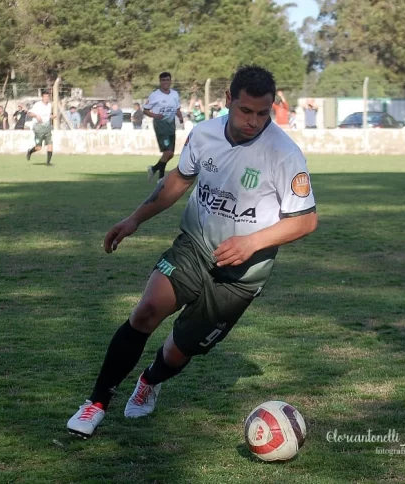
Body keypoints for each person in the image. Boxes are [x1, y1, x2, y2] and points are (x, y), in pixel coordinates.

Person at [66, 65, 318, 438]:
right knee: (146, 311)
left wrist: (251, 242)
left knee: (179, 349)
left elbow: (305, 220)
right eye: (245, 111)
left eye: (262, 113)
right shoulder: (204, 134)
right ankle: (96, 403)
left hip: (241, 276)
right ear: (229, 100)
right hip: (195, 247)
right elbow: (178, 181)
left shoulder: (284, 154)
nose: (254, 121)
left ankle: (150, 381)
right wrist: (135, 219)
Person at [144, 72, 183, 182]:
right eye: (163, 80)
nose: (166, 82)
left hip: (171, 124)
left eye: (167, 80)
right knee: (168, 152)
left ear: (170, 81)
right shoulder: (155, 95)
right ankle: (161, 177)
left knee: (170, 154)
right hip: (160, 125)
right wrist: (155, 115)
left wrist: (180, 118)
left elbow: (177, 108)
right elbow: (145, 110)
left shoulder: (175, 94)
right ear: (160, 82)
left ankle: (154, 169)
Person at [26, 92, 54, 165]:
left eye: (48, 97)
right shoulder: (37, 105)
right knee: (38, 148)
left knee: (50, 145)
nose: (46, 98)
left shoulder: (49, 105)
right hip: (38, 128)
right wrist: (36, 116)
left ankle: (48, 163)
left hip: (47, 128)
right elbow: (29, 113)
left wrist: (52, 116)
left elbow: (47, 115)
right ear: (42, 97)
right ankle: (30, 151)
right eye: (45, 97)